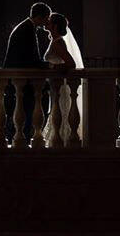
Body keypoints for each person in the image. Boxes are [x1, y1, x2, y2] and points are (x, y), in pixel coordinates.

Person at [42, 12, 85, 145]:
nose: (46, 23)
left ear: (54, 26)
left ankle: (63, 141)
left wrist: (52, 68)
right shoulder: (55, 41)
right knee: (58, 112)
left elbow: (70, 63)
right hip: (56, 85)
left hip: (60, 85)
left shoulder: (57, 43)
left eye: (48, 21)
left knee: (61, 113)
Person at [1, 2, 51, 68]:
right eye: (47, 18)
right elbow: (32, 60)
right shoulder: (27, 30)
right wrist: (50, 65)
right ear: (39, 17)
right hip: (16, 73)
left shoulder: (27, 26)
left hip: (14, 72)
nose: (47, 21)